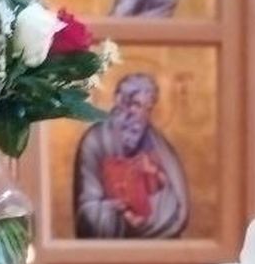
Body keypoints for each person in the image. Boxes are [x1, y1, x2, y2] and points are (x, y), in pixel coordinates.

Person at [74, 73, 191, 238]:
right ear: (118, 102)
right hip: (105, 249)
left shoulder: (160, 146)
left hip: (158, 248)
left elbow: (177, 210)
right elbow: (88, 212)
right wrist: (118, 212)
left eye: (146, 108)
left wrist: (147, 214)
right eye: (134, 104)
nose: (138, 114)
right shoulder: (95, 141)